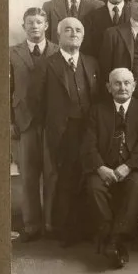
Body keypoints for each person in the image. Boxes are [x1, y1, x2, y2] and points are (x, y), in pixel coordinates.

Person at [81, 67, 138, 268]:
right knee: (94, 186)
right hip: (103, 166)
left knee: (135, 184)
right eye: (117, 83)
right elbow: (88, 144)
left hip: (134, 168)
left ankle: (115, 240)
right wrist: (100, 167)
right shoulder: (97, 110)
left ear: (134, 86)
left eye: (127, 83)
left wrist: (128, 166)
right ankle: (111, 237)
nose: (122, 87)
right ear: (108, 87)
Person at [37, 17, 100, 245]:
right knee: (67, 178)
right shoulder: (47, 64)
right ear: (58, 35)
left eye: (78, 30)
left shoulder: (92, 62)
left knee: (88, 176)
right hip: (63, 130)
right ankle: (66, 231)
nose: (74, 34)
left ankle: (88, 228)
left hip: (89, 130)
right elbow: (38, 101)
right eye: (68, 30)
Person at [10, 7, 58, 241]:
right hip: (24, 122)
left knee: (51, 174)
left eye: (39, 22)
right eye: (30, 22)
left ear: (46, 25)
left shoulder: (57, 52)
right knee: (28, 175)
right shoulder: (12, 53)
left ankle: (50, 223)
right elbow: (5, 90)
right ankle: (31, 225)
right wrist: (10, 121)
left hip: (50, 123)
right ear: (23, 26)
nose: (35, 26)